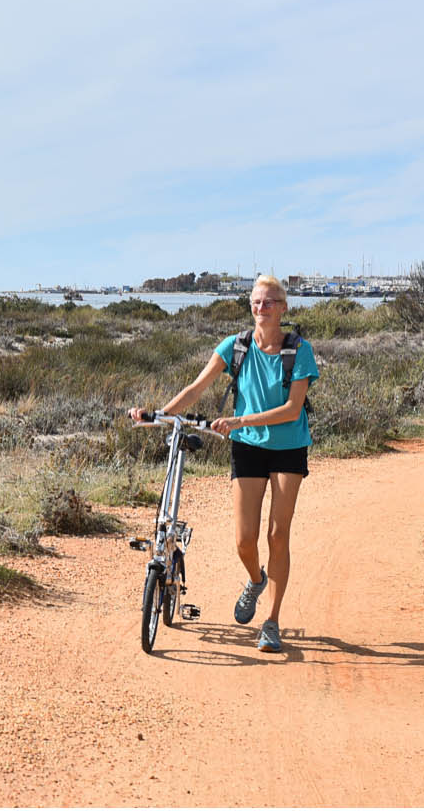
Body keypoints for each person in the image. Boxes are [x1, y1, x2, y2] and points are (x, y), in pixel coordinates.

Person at [132, 274, 318, 653]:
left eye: (268, 302)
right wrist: (158, 414)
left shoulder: (299, 351)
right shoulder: (236, 347)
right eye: (255, 301)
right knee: (244, 540)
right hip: (247, 448)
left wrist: (239, 420)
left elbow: (292, 409)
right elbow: (195, 388)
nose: (260, 308)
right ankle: (255, 580)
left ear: (283, 307)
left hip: (288, 447)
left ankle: (272, 622)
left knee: (278, 535)